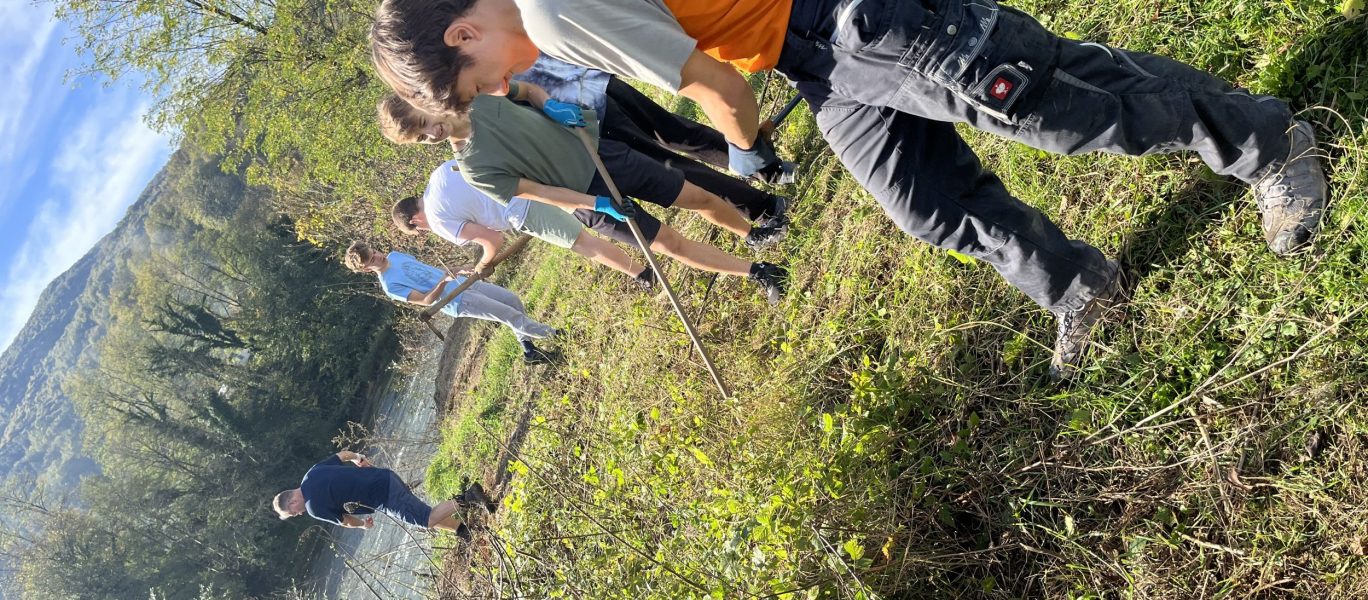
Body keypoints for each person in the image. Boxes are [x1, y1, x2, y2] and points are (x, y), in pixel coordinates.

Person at [368, 0, 1328, 380]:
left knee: (1052, 103)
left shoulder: (547, 12)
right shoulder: (542, 23)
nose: (498, 90)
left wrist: (744, 155)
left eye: (477, 83)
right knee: (926, 201)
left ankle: (1268, 143)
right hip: (815, 59)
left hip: (846, 16)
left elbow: (717, 91)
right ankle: (1078, 284)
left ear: (462, 34)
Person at [375, 94, 789, 305]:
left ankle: (754, 233)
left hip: (600, 154)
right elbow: (539, 192)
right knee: (668, 243)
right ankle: (760, 272)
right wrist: (596, 205)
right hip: (585, 201)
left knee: (694, 195)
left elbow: (526, 89)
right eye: (420, 139)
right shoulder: (471, 169)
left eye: (423, 124)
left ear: (422, 103)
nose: (430, 135)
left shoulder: (479, 97)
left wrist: (549, 105)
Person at [516, 53, 794, 230]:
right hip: (584, 116)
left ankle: (766, 173)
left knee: (678, 135)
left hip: (592, 85)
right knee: (675, 161)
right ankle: (763, 201)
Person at [393, 158, 659, 291]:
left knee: (584, 243)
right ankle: (650, 233)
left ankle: (643, 273)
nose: (426, 230)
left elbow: (493, 240)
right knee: (589, 207)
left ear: (415, 221)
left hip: (522, 209)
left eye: (420, 229)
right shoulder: (439, 173)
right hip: (528, 179)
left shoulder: (437, 220)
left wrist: (483, 264)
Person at [344, 241, 561, 364]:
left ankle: (529, 350)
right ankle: (556, 335)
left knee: (512, 300)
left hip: (463, 282)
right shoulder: (390, 286)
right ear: (366, 269)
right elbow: (427, 300)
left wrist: (456, 270)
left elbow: (429, 271)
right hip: (456, 300)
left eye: (374, 252)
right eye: (372, 259)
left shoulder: (395, 255)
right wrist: (443, 282)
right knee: (509, 315)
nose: (378, 256)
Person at [272, 450, 496, 539]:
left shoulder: (313, 507)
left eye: (293, 513)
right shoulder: (311, 473)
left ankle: (468, 497)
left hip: (383, 496)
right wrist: (358, 458)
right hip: (385, 476)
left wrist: (363, 525)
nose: (297, 514)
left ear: (292, 502)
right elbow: (342, 455)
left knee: (426, 519)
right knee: (420, 514)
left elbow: (345, 521)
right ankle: (462, 530)